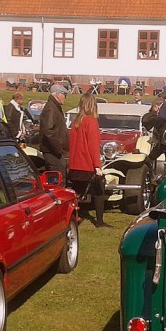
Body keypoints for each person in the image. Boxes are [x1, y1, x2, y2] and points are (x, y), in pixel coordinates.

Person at [68, 93, 108, 228]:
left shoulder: (76, 122)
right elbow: (93, 146)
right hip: (86, 165)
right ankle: (99, 221)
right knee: (99, 191)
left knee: (76, 194)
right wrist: (98, 166)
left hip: (74, 164)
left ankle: (73, 217)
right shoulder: (91, 121)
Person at [39, 83, 70, 178]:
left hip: (54, 151)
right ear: (57, 94)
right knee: (58, 178)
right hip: (52, 152)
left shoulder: (55, 107)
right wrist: (58, 149)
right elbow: (48, 131)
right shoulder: (51, 108)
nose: (65, 97)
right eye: (64, 95)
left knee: (58, 176)